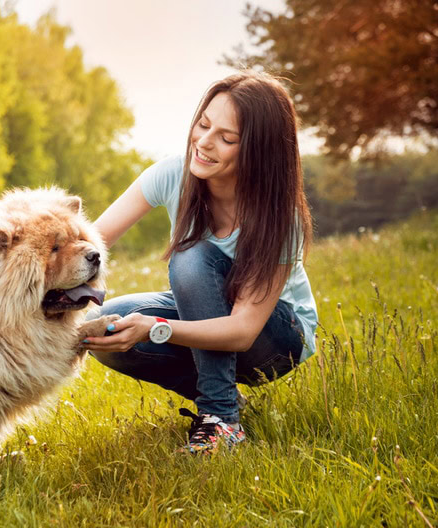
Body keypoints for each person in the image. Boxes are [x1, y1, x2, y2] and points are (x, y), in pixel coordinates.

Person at [82, 70, 317, 455]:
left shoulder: (279, 215)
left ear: (258, 150)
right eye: (204, 125)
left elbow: (242, 331)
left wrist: (155, 327)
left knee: (190, 255)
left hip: (276, 336)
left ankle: (221, 419)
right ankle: (226, 400)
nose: (204, 142)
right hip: (208, 314)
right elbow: (90, 242)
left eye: (227, 138)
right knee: (106, 327)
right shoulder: (172, 174)